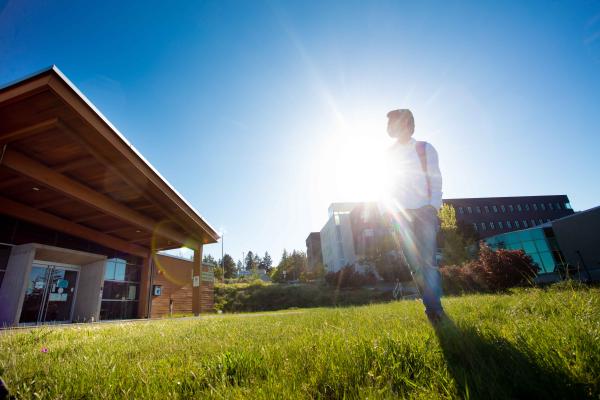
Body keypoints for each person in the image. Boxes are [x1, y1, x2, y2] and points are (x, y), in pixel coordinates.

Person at [384, 109, 445, 323]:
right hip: (400, 216)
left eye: (395, 122)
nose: (391, 126)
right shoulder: (387, 155)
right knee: (414, 264)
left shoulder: (425, 149)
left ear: (408, 124)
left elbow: (435, 180)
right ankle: (431, 306)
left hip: (424, 212)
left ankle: (434, 309)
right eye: (390, 123)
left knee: (427, 261)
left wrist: (433, 208)